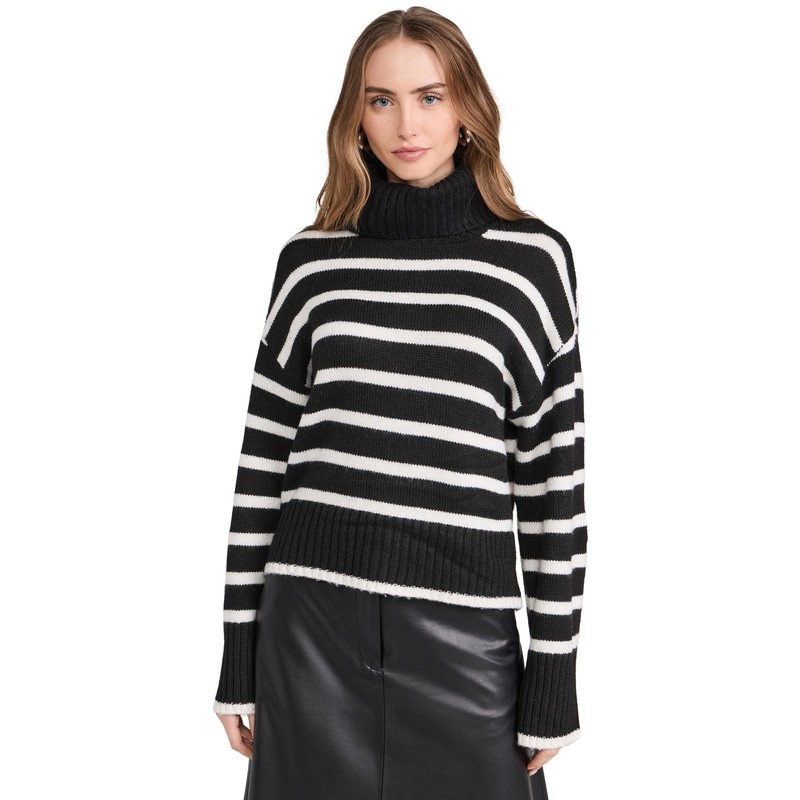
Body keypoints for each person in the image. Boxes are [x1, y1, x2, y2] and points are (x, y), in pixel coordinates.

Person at [213, 6, 587, 799]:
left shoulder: (530, 264)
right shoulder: (310, 264)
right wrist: (237, 655)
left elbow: (554, 483)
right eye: (380, 100)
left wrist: (554, 673)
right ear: (354, 115)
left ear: (468, 108)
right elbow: (262, 468)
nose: (406, 125)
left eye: (430, 97)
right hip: (310, 631)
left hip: (465, 637)